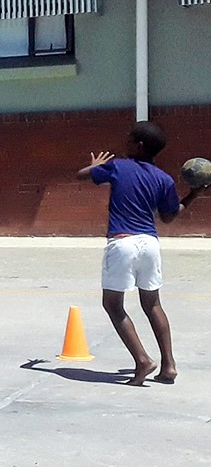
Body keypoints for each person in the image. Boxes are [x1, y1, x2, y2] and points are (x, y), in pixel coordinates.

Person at [77, 121, 200, 386]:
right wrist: (193, 195)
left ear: (139, 146)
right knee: (153, 304)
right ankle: (168, 365)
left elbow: (81, 175)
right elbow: (168, 217)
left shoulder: (119, 166)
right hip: (150, 243)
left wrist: (96, 165)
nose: (126, 142)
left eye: (130, 139)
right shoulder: (163, 179)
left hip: (122, 243)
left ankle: (143, 360)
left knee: (112, 305)